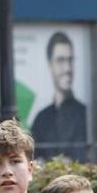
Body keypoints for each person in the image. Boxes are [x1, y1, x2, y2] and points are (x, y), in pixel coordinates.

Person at [30, 31, 89, 161]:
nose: (67, 68)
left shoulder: (86, 114)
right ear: (50, 65)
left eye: (70, 60)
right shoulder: (41, 119)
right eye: (60, 60)